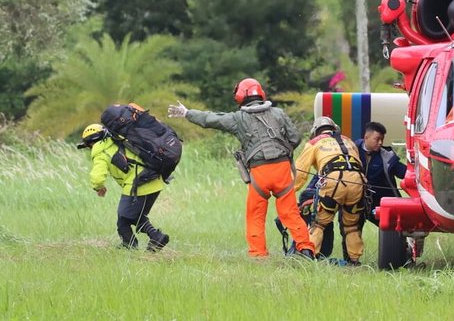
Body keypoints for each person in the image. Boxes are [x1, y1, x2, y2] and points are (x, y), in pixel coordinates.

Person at [167, 78, 315, 259]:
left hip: (259, 174)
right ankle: (306, 249)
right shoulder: (278, 113)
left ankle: (258, 255)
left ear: (239, 96)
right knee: (290, 213)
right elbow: (295, 138)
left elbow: (211, 119)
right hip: (283, 170)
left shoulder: (238, 119)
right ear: (260, 93)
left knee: (255, 215)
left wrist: (187, 113)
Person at [78, 123, 170, 251]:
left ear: (91, 142)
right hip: (155, 180)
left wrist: (98, 187)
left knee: (126, 215)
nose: (89, 148)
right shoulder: (119, 140)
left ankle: (155, 236)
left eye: (88, 145)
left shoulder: (100, 151)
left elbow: (97, 177)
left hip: (138, 184)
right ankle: (130, 244)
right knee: (126, 217)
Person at [294, 116, 366, 265]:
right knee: (351, 226)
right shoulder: (349, 141)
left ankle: (310, 258)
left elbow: (299, 172)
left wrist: (288, 191)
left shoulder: (314, 142)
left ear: (316, 131)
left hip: (333, 182)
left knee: (319, 223)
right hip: (357, 182)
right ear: (335, 129)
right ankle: (354, 261)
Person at [355, 121, 406, 226]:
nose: (380, 143)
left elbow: (404, 173)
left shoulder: (387, 157)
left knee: (393, 229)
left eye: (382, 139)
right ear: (366, 137)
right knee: (351, 232)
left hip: (380, 202)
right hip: (355, 201)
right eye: (377, 139)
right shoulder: (351, 150)